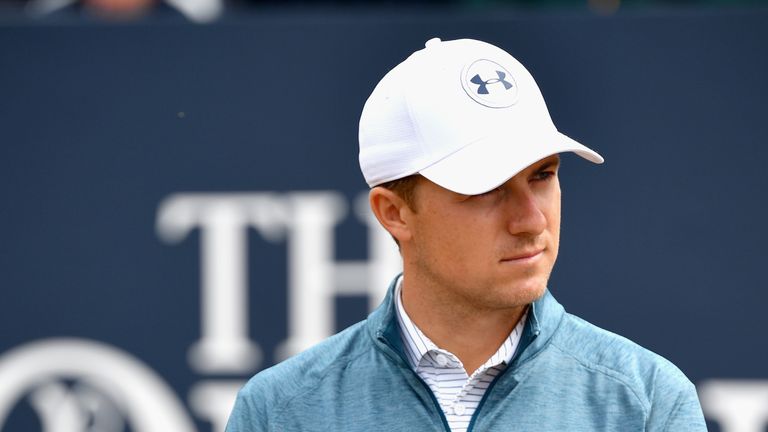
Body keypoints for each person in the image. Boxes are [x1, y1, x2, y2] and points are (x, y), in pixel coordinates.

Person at [226, 37, 706, 431]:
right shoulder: (279, 412)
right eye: (488, 187)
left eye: (542, 175)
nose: (531, 220)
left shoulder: (647, 402)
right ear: (394, 213)